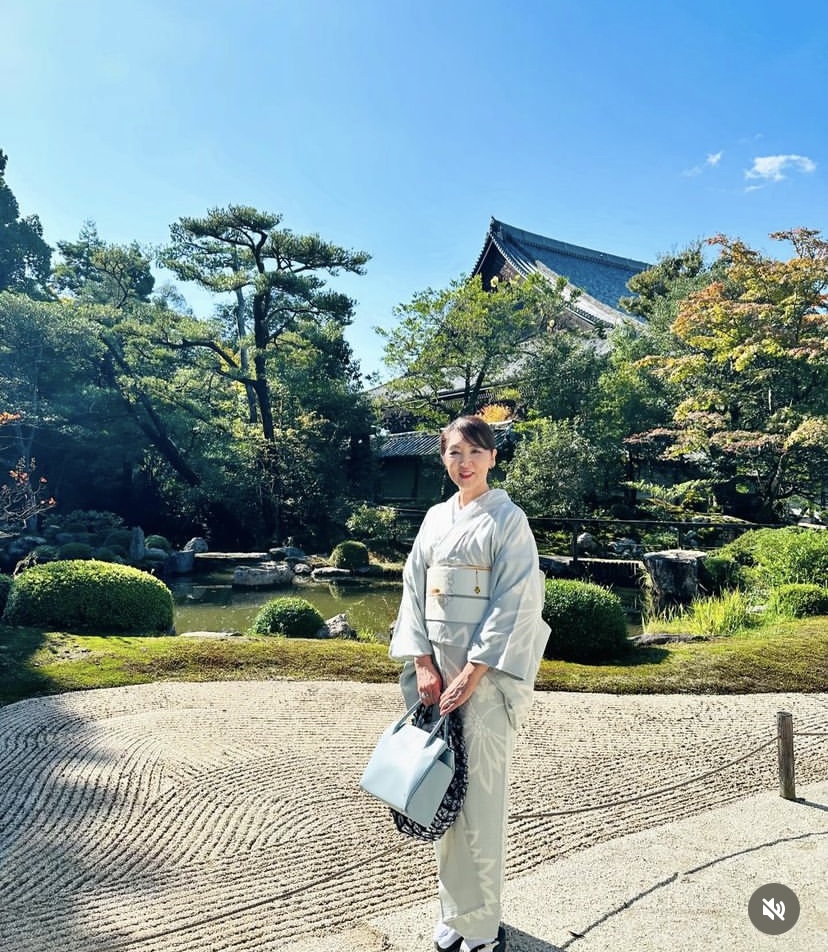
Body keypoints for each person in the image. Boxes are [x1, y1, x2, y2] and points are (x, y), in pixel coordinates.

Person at [389, 415, 550, 952]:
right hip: (437, 675)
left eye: (476, 452)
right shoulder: (436, 518)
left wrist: (474, 671)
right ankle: (453, 912)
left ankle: (481, 924)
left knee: (479, 798)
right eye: (455, 452)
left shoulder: (508, 519)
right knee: (441, 789)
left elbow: (515, 601)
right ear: (443, 458)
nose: (465, 463)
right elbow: (413, 588)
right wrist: (423, 663)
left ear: (493, 458)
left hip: (484, 678)